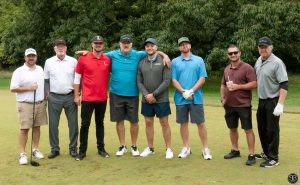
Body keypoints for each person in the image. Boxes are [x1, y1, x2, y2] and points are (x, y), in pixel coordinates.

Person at [105, 35, 170, 157]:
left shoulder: (138, 54)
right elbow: (98, 55)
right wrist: (87, 52)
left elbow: (152, 51)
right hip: (116, 93)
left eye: (128, 43)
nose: (126, 45)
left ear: (131, 44)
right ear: (119, 44)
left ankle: (134, 146)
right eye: (123, 43)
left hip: (133, 94)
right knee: (119, 120)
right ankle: (122, 146)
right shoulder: (112, 55)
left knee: (133, 121)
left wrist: (164, 55)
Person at [171, 37, 212, 160]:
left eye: (186, 44)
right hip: (180, 97)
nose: (184, 46)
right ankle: (186, 148)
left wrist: (191, 91)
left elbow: (202, 78)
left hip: (196, 97)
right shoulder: (175, 61)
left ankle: (205, 148)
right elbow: (174, 79)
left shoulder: (199, 60)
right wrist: (184, 92)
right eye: (181, 44)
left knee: (200, 123)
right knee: (183, 123)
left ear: (190, 45)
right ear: (179, 47)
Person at [74, 36, 111, 160]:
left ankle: (101, 149)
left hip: (102, 98)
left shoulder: (107, 59)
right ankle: (82, 151)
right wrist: (76, 95)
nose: (98, 45)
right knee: (85, 124)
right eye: (96, 43)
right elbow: (77, 78)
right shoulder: (83, 58)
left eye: (100, 43)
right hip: (88, 98)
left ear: (103, 45)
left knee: (100, 123)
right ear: (92, 44)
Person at [254, 36, 288, 168]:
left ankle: (274, 157)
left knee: (272, 130)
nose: (263, 49)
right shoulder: (259, 60)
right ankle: (267, 153)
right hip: (261, 100)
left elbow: (284, 84)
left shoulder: (277, 62)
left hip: (273, 101)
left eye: (265, 47)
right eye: (261, 47)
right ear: (258, 48)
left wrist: (280, 104)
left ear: (271, 47)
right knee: (262, 128)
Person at [137, 38, 173, 159]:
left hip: (161, 99)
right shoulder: (141, 62)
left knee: (164, 123)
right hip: (146, 99)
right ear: (145, 48)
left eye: (152, 46)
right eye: (147, 46)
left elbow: (167, 81)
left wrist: (154, 94)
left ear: (156, 47)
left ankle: (168, 148)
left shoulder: (164, 60)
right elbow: (139, 81)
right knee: (148, 122)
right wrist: (147, 95)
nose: (149, 48)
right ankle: (150, 148)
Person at [220, 44, 257, 166]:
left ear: (239, 53)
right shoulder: (226, 69)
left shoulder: (247, 68)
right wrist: (223, 97)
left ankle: (251, 154)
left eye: (235, 52)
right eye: (230, 53)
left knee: (248, 129)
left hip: (243, 104)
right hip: (229, 105)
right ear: (228, 55)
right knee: (232, 128)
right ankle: (235, 150)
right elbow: (223, 85)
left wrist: (239, 87)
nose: (233, 55)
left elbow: (254, 84)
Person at [10, 48, 48, 165]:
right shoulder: (19, 71)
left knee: (37, 127)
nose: (31, 58)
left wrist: (45, 96)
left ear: (36, 57)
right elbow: (13, 88)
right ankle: (22, 154)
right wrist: (29, 88)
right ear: (25, 57)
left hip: (39, 103)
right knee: (24, 129)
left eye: (33, 56)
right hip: (25, 104)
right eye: (29, 56)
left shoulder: (40, 69)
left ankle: (35, 149)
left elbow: (43, 85)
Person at [44, 39, 78, 159]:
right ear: (54, 48)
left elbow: (78, 79)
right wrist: (46, 94)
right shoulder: (49, 62)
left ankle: (73, 148)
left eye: (62, 46)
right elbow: (46, 80)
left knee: (73, 124)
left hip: (70, 96)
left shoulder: (73, 61)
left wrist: (77, 95)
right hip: (54, 97)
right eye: (58, 46)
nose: (60, 48)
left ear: (66, 48)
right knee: (53, 125)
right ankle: (55, 149)